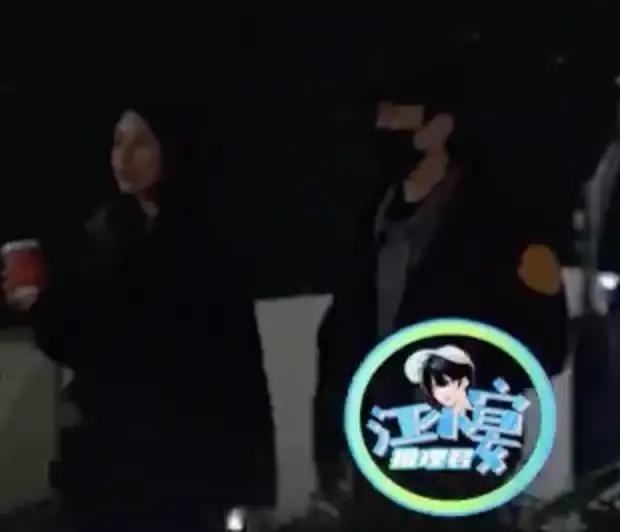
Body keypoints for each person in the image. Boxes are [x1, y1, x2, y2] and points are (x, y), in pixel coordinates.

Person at [2, 104, 276, 531]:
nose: (123, 157)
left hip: (177, 469)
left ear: (171, 149)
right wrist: (37, 305)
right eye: (117, 143)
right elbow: (82, 344)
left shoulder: (203, 243)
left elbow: (235, 364)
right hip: (102, 466)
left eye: (141, 143)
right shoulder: (105, 234)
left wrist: (254, 487)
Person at [313, 72, 569, 529]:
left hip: (461, 470)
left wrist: (461, 381)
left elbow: (547, 344)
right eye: (379, 116)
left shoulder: (504, 227)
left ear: (441, 126)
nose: (383, 129)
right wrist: (333, 455)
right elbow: (337, 347)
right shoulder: (368, 227)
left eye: (398, 116)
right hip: (374, 470)